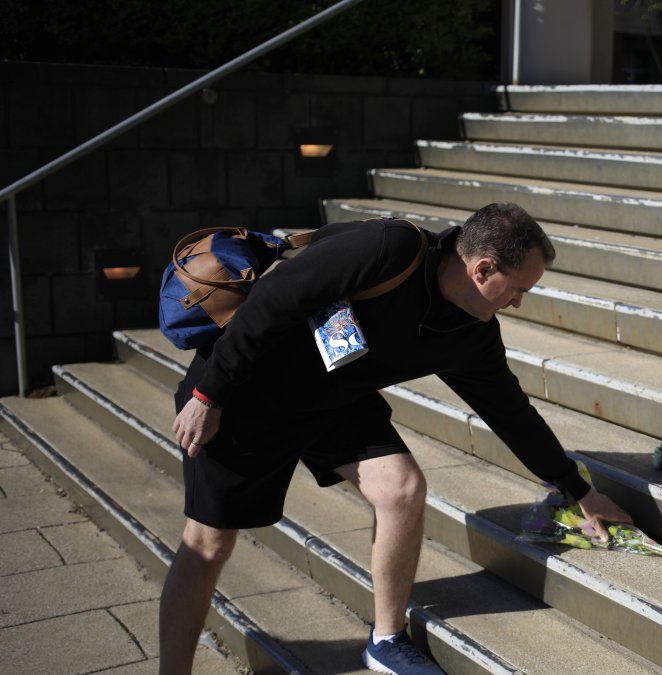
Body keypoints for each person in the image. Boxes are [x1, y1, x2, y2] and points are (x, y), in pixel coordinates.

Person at [163, 203, 632, 675]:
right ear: (483, 268)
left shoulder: (471, 334)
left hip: (337, 397)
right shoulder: (391, 249)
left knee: (402, 488)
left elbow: (513, 416)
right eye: (518, 289)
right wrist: (209, 393)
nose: (517, 303)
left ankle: (386, 640)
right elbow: (274, 299)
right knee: (208, 544)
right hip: (246, 395)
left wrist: (580, 490)